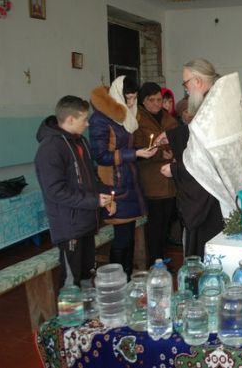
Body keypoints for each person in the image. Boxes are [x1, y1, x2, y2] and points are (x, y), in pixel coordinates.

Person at [158, 59, 242, 257]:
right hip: (222, 187)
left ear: (198, 81)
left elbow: (204, 160)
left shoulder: (213, 107)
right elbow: (200, 135)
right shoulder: (216, 104)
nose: (185, 89)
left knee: (210, 249)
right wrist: (171, 136)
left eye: (186, 83)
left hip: (213, 196)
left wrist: (175, 170)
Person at [35, 95, 114, 287]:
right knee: (72, 281)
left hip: (86, 221)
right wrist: (94, 201)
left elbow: (93, 179)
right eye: (84, 119)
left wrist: (107, 195)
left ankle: (86, 316)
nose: (87, 124)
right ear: (70, 119)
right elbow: (55, 191)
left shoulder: (80, 142)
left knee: (88, 275)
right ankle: (71, 317)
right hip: (69, 226)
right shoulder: (50, 148)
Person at [89, 76, 156, 276]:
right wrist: (134, 153)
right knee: (122, 237)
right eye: (128, 98)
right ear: (117, 94)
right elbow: (100, 156)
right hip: (114, 183)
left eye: (134, 98)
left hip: (129, 179)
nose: (130, 103)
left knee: (129, 236)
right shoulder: (100, 118)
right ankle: (116, 281)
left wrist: (143, 151)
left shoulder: (127, 116)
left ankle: (126, 278)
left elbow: (126, 148)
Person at [133, 82, 179, 265]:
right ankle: (155, 261)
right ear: (143, 102)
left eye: (159, 99)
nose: (156, 104)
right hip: (151, 179)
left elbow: (178, 140)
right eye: (151, 100)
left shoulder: (168, 118)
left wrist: (174, 152)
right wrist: (162, 152)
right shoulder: (137, 120)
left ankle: (163, 257)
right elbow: (137, 149)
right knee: (155, 225)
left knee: (166, 223)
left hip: (169, 181)